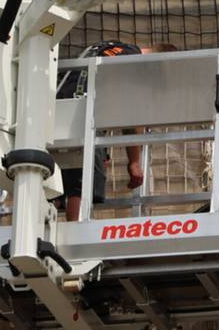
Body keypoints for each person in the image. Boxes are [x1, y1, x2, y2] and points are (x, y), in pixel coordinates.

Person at [57, 40, 178, 220]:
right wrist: (134, 162)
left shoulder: (110, 48)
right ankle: (76, 230)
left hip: (60, 109)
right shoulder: (135, 65)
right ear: (159, 63)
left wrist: (103, 151)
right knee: (83, 185)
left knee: (60, 185)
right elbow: (132, 115)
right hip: (84, 116)